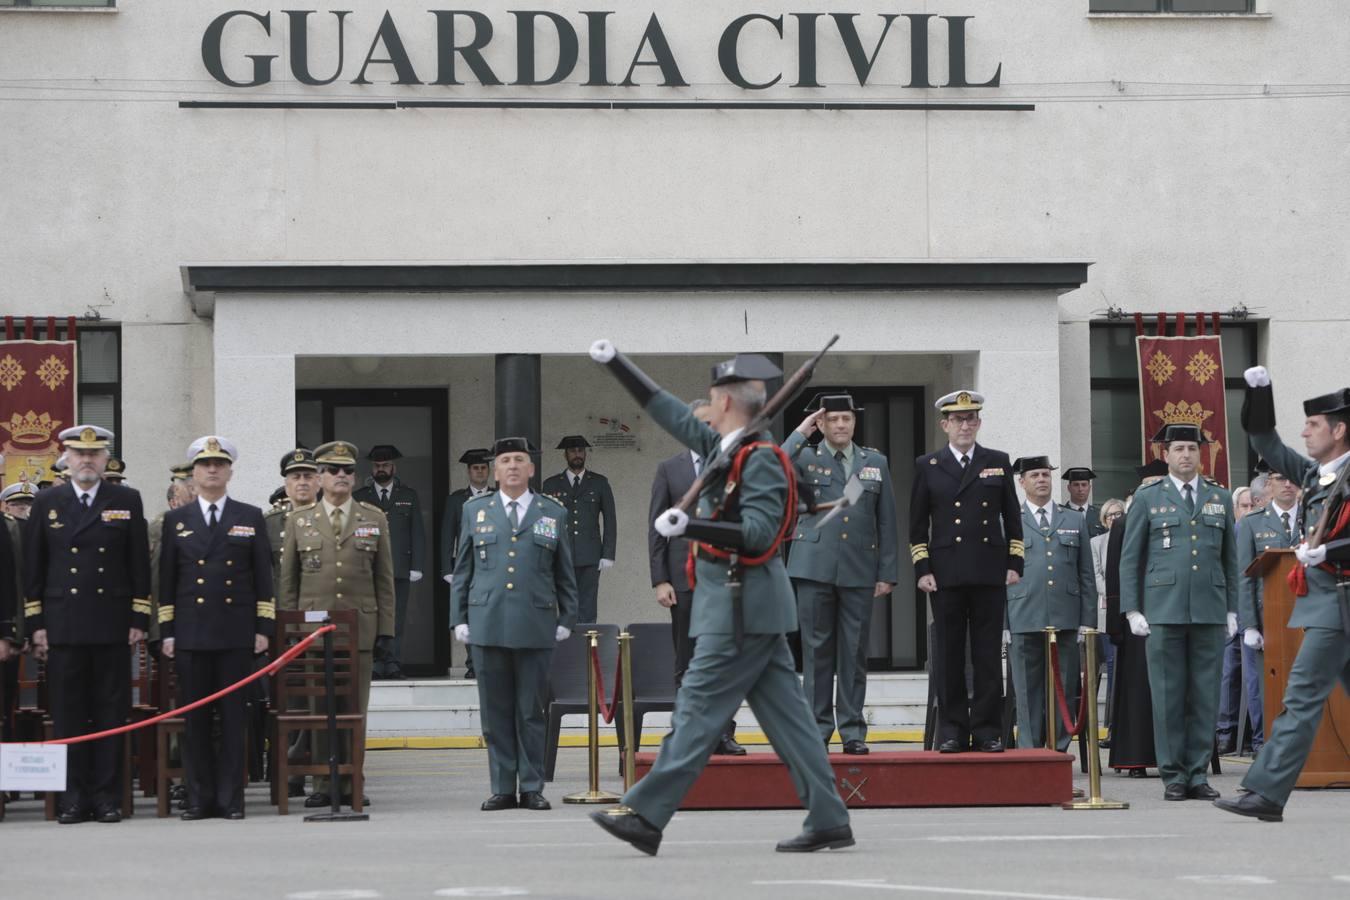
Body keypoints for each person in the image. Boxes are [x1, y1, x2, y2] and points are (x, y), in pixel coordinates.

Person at [588, 341, 852, 855]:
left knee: (696, 712)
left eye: (709, 399)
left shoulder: (760, 461)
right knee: (792, 725)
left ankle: (645, 813)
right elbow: (664, 408)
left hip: (738, 610)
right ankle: (828, 817)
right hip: (744, 609)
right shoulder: (722, 448)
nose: (701, 408)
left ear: (726, 403)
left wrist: (691, 524)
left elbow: (756, 534)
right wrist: (615, 362)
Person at [1214, 372, 1350, 823]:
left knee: (1301, 697)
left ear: (1339, 429)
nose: (1305, 431)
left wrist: (1329, 549)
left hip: (1339, 606)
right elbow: (1262, 437)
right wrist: (1259, 393)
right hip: (1327, 605)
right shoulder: (1315, 474)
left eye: (1313, 423)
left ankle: (1266, 792)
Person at [24, 425, 152, 824]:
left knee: (111, 712)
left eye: (94, 454)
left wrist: (138, 617)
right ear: (66, 457)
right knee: (68, 714)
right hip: (64, 624)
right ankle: (73, 798)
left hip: (112, 623)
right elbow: (33, 569)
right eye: (79, 453)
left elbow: (138, 566)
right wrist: (36, 623)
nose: (86, 460)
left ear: (104, 459)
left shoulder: (126, 499)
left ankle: (108, 797)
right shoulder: (48, 501)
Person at [450, 437, 577, 812]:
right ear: (495, 469)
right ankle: (503, 786)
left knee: (530, 711)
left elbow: (564, 571)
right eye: (505, 460)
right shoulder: (476, 510)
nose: (512, 466)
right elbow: (463, 571)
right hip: (487, 622)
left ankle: (532, 786)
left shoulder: (551, 512)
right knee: (495, 713)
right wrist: (458, 618)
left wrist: (567, 617)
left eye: (519, 460)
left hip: (535, 622)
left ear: (531, 469)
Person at [1119, 424, 1238, 801]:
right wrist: (1132, 609)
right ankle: (1172, 774)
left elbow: (1230, 560)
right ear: (1166, 455)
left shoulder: (1220, 497)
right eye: (1178, 449)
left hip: (1209, 608)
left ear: (1201, 454)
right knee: (1168, 696)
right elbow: (1130, 558)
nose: (1186, 455)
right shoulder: (1148, 497)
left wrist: (1232, 609)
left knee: (1205, 696)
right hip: (1163, 609)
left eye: (1191, 448)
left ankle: (1197, 773)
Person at [157, 436, 273, 820]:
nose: (212, 470)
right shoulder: (177, 521)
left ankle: (230, 800)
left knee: (234, 718)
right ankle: (198, 799)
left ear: (230, 472)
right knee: (196, 722)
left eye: (219, 465)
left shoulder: (249, 515)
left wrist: (263, 627)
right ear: (193, 474)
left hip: (235, 634)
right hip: (191, 635)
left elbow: (262, 579)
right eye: (205, 465)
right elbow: (167, 582)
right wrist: (168, 631)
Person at [278, 440, 396, 808]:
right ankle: (323, 784)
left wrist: (386, 631)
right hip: (313, 631)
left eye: (347, 470)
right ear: (320, 477)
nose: (340, 476)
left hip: (359, 628)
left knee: (354, 709)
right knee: (318, 708)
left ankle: (351, 781)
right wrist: (291, 631)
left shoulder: (373, 518)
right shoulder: (299, 521)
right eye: (332, 470)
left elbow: (384, 580)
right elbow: (289, 584)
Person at [783, 392, 898, 754]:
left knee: (853, 652)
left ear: (854, 422)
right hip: (813, 566)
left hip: (859, 569)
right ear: (821, 423)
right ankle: (815, 730)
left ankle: (852, 731)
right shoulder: (804, 456)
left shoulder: (874, 461)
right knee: (816, 653)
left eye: (846, 419)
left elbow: (887, 520)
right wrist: (801, 431)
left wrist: (887, 572)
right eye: (832, 420)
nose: (840, 425)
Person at [909, 390, 1023, 754]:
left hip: (989, 570)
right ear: (944, 425)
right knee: (949, 655)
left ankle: (989, 729)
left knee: (988, 654)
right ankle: (952, 730)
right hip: (945, 573)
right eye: (958, 419)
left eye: (971, 418)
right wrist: (922, 567)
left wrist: (1014, 562)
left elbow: (1013, 518)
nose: (965, 425)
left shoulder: (997, 461)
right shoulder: (928, 465)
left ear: (979, 423)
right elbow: (916, 525)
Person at [648, 400, 743, 755]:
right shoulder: (669, 469)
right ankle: (689, 731)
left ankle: (723, 733)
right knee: (686, 661)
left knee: (725, 658)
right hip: (682, 579)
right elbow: (657, 528)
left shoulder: (733, 464)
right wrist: (660, 579)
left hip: (725, 578)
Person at [1005, 456, 1096, 750]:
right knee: (1027, 690)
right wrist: (1002, 623)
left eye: (1045, 474)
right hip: (1023, 613)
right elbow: (998, 575)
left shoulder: (1073, 519)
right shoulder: (1009, 520)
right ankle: (1030, 754)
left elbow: (1086, 573)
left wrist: (1088, 620)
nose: (1042, 479)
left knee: (1064, 688)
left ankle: (1058, 751)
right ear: (1022, 482)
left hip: (1065, 615)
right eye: (1035, 475)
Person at [1233, 467, 1301, 756]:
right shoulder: (1251, 523)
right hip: (1267, 618)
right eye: (1279, 479)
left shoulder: (1316, 517)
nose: (1287, 485)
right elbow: (1244, 576)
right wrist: (1248, 624)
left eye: (1292, 479)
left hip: (1308, 616)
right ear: (1268, 486)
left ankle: (1306, 746)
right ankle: (1266, 743)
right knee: (1265, 686)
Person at [1106, 462, 1166, 776]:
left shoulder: (1175, 518)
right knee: (1138, 689)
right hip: (1137, 618)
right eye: (1151, 483)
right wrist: (1118, 622)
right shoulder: (1125, 523)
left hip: (1171, 614)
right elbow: (1117, 574)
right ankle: (1136, 758)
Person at [354, 445, 425, 680]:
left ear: (393, 467)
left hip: (399, 566)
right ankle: (375, 662)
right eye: (377, 465)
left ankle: (393, 662)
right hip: (369, 568)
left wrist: (417, 565)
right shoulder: (360, 497)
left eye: (385, 465)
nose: (381, 469)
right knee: (372, 616)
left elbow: (417, 532)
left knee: (397, 616)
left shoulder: (408, 495)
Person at [541, 436, 615, 624]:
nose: (577, 454)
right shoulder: (551, 485)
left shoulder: (599, 482)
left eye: (580, 450)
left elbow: (610, 520)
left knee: (588, 608)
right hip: (561, 555)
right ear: (565, 454)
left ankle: (587, 651)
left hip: (590, 555)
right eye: (573, 451)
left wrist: (608, 554)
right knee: (566, 606)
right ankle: (569, 650)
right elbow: (546, 522)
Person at [440, 448, 494, 678]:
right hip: (466, 566)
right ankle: (474, 663)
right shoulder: (456, 499)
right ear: (469, 472)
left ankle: (490, 662)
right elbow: (447, 536)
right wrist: (447, 568)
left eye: (483, 468)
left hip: (493, 564)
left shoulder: (498, 496)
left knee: (492, 612)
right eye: (475, 468)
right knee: (469, 615)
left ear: (489, 471)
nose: (480, 472)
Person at [1089, 498, 1125, 737]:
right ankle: (1112, 727)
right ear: (1104, 519)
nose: (1114, 518)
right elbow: (1097, 574)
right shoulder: (1096, 542)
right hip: (1107, 610)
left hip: (1131, 611)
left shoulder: (1131, 539)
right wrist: (1115, 593)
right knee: (1112, 667)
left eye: (1119, 514)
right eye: (1110, 515)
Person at [1062, 467, 1107, 538]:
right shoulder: (1060, 515)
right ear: (1069, 488)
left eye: (1084, 485)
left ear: (1089, 487)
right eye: (1076, 485)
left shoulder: (1100, 515)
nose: (1080, 489)